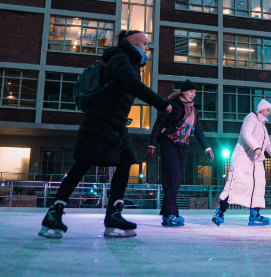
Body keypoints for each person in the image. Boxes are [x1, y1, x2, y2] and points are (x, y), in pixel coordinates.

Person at [39, 30, 172, 239]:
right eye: (145, 44)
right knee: (82, 165)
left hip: (115, 124)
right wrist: (162, 103)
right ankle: (54, 213)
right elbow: (131, 84)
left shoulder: (130, 61)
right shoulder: (121, 58)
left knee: (126, 161)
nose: (148, 49)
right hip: (99, 121)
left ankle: (114, 214)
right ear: (133, 43)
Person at [148, 79, 214, 227]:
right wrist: (152, 144)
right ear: (184, 91)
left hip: (183, 146)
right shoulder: (172, 106)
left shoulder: (194, 111)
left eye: (195, 93)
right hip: (169, 143)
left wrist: (207, 148)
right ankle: (171, 213)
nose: (193, 95)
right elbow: (159, 124)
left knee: (175, 180)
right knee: (174, 176)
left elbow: (198, 131)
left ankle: (169, 213)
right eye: (191, 92)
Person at [212, 99, 271, 226]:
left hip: (257, 163)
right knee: (234, 185)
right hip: (243, 159)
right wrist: (256, 147)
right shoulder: (251, 118)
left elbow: (268, 145)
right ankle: (220, 212)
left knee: (258, 187)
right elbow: (246, 134)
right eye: (268, 110)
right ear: (261, 109)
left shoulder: (263, 127)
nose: (269, 113)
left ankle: (254, 214)